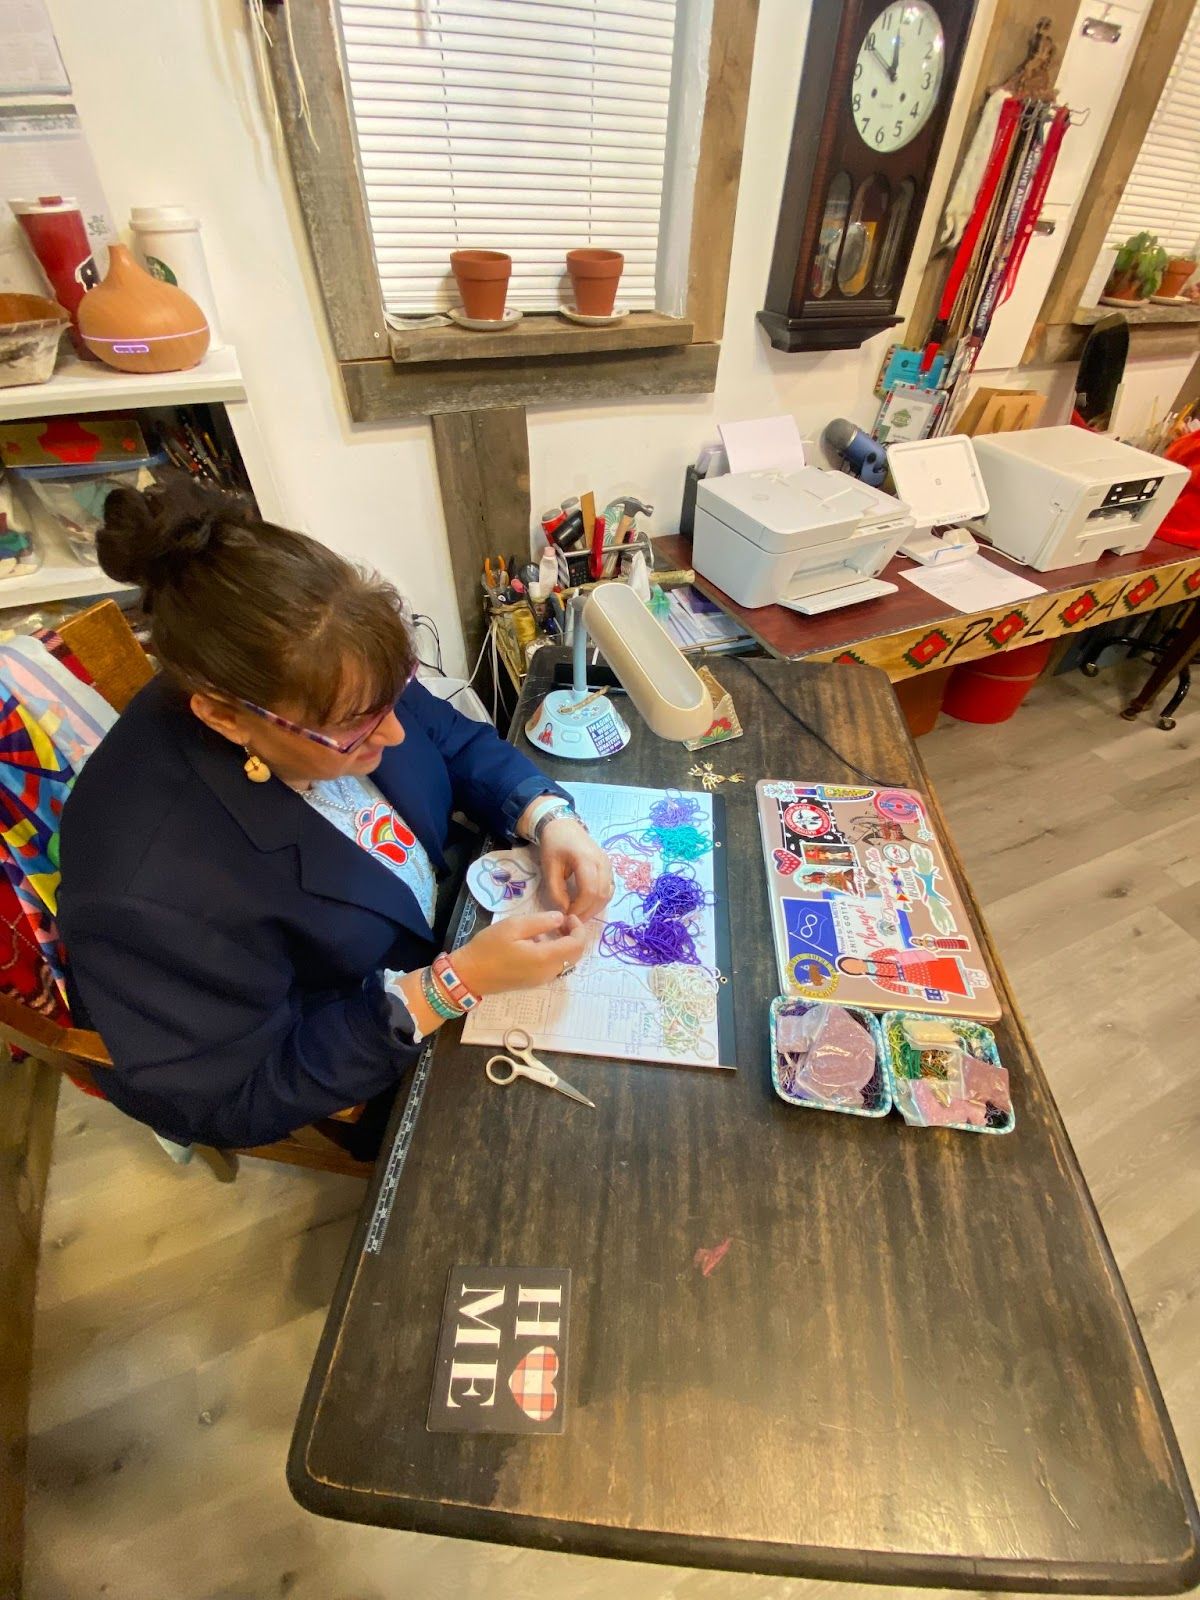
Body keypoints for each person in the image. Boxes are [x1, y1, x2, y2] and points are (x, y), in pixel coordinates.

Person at [58, 481, 614, 1153]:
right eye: (354, 731)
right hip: (372, 1047)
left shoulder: (330, 674)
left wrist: (549, 817)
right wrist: (449, 986)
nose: (396, 737)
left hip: (457, 933)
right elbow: (234, 1098)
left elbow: (447, 737)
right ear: (224, 717)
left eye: (395, 693)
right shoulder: (146, 891)